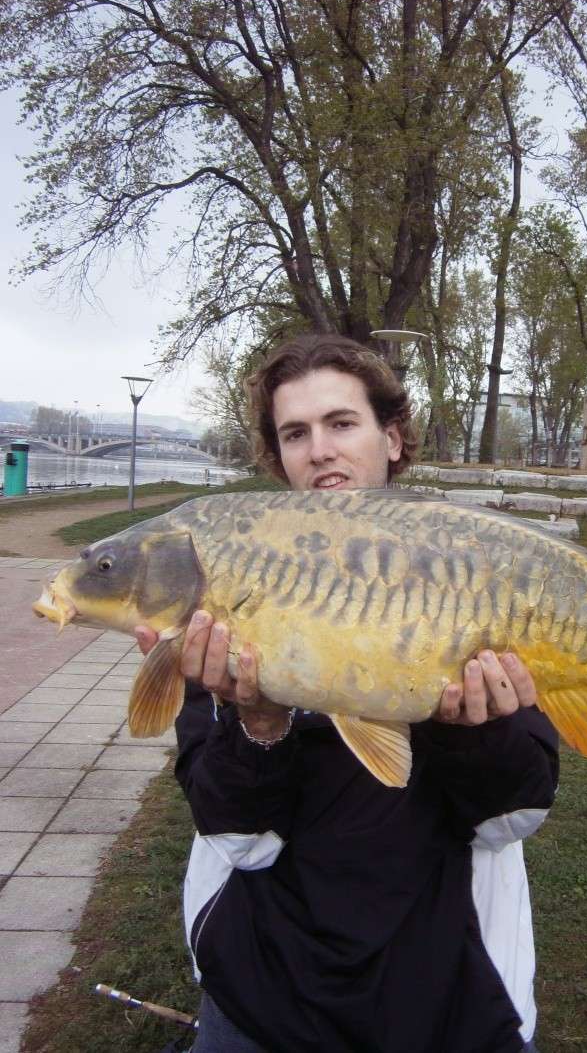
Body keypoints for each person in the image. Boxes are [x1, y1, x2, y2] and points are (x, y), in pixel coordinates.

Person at [137, 334, 559, 1053]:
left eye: (341, 423)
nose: (319, 449)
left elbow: (511, 819)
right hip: (265, 999)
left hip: (450, 1003)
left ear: (391, 437)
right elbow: (239, 840)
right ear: (279, 456)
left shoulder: (473, 574)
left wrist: (471, 730)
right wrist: (258, 720)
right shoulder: (226, 595)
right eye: (295, 433)